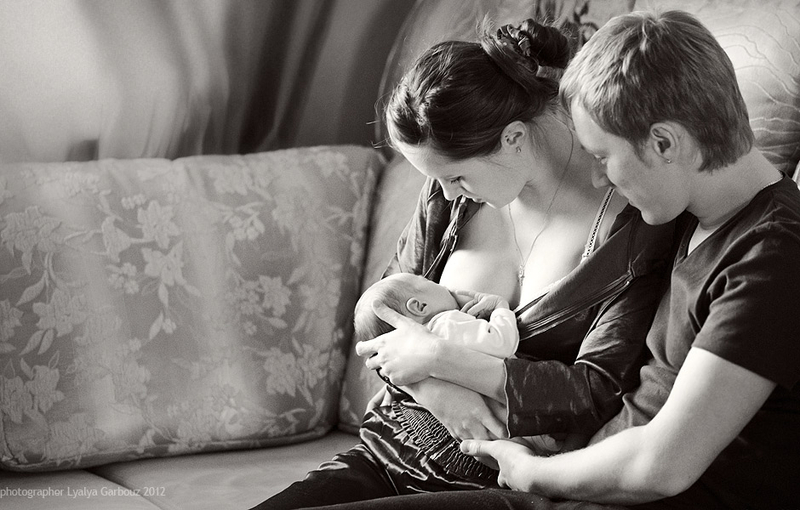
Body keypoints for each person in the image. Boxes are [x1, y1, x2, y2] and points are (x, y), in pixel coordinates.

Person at [293, 9, 800, 509]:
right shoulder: (701, 224)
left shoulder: (759, 253)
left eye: (602, 157)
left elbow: (658, 463)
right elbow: (381, 313)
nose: (599, 179)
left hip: (546, 485)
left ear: (665, 142)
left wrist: (530, 471)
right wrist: (433, 384)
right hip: (442, 454)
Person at [253, 16, 677, 509]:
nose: (447, 193)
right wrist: (435, 390)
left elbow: (596, 392)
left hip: (496, 483)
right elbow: (379, 316)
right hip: (389, 444)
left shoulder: (633, 223)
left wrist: (439, 359)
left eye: (457, 177)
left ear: (514, 138)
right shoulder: (447, 199)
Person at [354, 273, 569, 456]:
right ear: (419, 306)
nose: (445, 286)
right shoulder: (447, 323)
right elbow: (501, 343)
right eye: (430, 282)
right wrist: (501, 309)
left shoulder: (409, 358)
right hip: (516, 416)